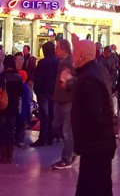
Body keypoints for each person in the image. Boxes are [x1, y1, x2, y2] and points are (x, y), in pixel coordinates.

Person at [71, 39, 116, 196]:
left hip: (95, 146)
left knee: (95, 186)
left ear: (82, 55)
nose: (72, 56)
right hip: (97, 145)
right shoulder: (93, 72)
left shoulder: (89, 78)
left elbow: (92, 115)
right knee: (96, 185)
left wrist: (82, 141)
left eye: (74, 52)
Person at [51, 39, 77, 170]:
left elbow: (75, 81)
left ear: (64, 49)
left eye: (58, 47)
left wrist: (67, 83)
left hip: (67, 101)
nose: (56, 50)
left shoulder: (70, 62)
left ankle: (66, 158)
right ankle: (72, 149)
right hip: (60, 99)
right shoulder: (62, 62)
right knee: (57, 126)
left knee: (67, 131)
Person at [33, 41, 58, 148]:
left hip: (43, 92)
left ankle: (43, 138)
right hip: (53, 92)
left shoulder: (42, 63)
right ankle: (50, 137)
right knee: (52, 116)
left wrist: (37, 90)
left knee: (44, 116)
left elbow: (38, 78)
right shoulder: (57, 62)